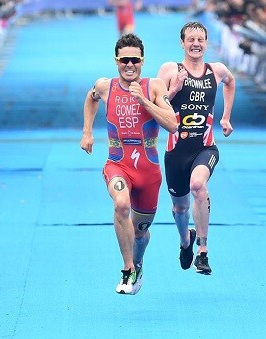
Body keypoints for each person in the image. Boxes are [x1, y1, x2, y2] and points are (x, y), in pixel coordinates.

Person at [80, 33, 177, 295]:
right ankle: (127, 270)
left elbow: (172, 124)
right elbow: (91, 99)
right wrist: (87, 131)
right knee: (121, 204)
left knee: (141, 232)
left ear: (142, 61)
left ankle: (138, 263)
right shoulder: (105, 86)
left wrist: (144, 101)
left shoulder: (154, 86)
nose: (129, 65)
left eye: (134, 59)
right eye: (125, 60)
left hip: (148, 171)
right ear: (116, 61)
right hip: (117, 164)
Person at [157, 21, 235, 275]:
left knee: (198, 186)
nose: (196, 44)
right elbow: (156, 104)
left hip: (205, 147)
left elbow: (230, 82)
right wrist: (174, 89)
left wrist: (225, 117)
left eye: (200, 39)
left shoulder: (217, 70)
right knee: (180, 208)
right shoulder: (170, 69)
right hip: (176, 152)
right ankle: (185, 241)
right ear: (182, 43)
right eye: (190, 39)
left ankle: (203, 251)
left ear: (207, 42)